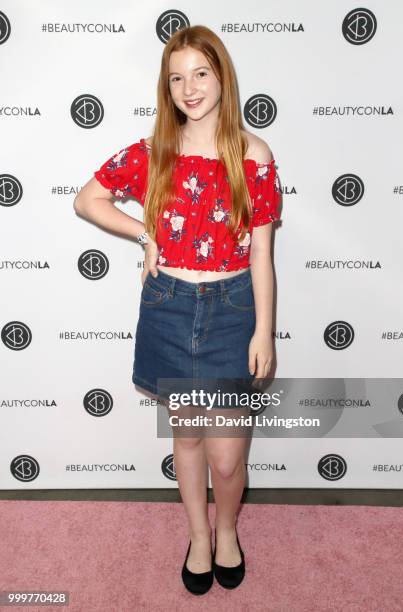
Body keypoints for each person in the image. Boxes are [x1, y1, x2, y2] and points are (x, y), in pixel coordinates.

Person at [74, 24, 282, 596]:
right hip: (168, 307)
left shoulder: (253, 155)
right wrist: (145, 233)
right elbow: (87, 199)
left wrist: (264, 329)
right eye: (176, 78)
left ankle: (227, 531)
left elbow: (262, 252)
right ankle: (197, 536)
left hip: (233, 307)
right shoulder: (154, 154)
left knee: (225, 455)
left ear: (221, 77)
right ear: (166, 89)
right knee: (187, 438)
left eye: (200, 73)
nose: (189, 88)